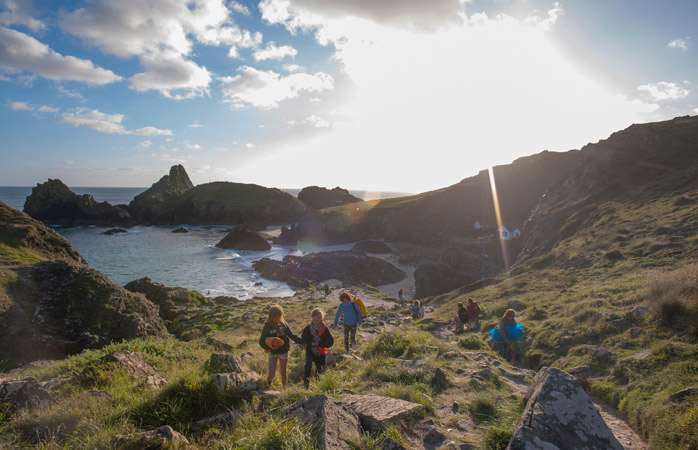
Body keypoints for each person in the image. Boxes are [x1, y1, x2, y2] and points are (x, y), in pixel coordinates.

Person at [259, 305, 302, 389]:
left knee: (283, 372)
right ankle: (268, 386)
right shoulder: (267, 326)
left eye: (280, 317)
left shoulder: (284, 324)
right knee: (271, 374)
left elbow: (292, 336)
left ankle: (284, 388)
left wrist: (303, 341)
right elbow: (261, 340)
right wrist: (268, 348)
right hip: (273, 352)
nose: (278, 319)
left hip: (283, 351)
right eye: (276, 317)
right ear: (271, 316)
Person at [300, 308, 334, 388]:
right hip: (310, 350)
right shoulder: (308, 328)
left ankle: (319, 386)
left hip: (320, 351)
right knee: (308, 365)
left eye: (317, 320)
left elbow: (330, 342)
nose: (315, 322)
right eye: (314, 320)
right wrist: (310, 343)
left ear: (321, 319)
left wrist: (320, 344)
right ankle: (306, 385)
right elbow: (303, 339)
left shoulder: (325, 329)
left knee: (319, 369)